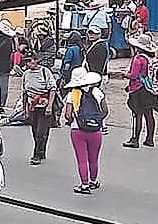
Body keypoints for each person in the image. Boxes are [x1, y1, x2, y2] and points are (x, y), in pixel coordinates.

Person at [61, 67, 109, 195]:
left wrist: (74, 120)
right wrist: (97, 120)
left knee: (82, 159)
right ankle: (94, 181)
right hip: (95, 131)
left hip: (77, 131)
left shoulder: (72, 94)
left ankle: (84, 184)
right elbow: (105, 111)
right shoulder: (97, 92)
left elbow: (67, 115)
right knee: (93, 159)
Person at [123, 33, 158, 149]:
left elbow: (133, 75)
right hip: (149, 89)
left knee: (137, 115)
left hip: (138, 89)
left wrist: (125, 75)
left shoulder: (138, 59)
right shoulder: (151, 58)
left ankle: (135, 139)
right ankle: (150, 139)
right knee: (149, 115)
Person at [21, 51, 57, 165]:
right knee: (34, 130)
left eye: (30, 61)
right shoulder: (26, 74)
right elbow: (24, 93)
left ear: (35, 60)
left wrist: (50, 106)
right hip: (32, 106)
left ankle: (37, 154)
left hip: (44, 105)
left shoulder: (45, 72)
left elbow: (52, 89)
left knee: (41, 131)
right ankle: (41, 150)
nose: (28, 64)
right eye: (26, 61)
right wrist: (25, 109)